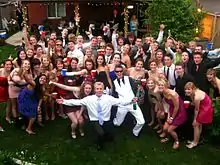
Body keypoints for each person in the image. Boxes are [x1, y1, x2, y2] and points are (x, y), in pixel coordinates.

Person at [56, 82, 136, 150]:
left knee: (109, 134)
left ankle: (106, 136)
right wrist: (64, 101)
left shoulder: (108, 98)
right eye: (97, 89)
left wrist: (131, 101)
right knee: (100, 133)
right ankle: (100, 145)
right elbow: (77, 102)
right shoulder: (89, 99)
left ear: (103, 89)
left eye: (101, 89)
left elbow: (120, 102)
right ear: (94, 90)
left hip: (106, 119)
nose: (99, 90)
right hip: (95, 120)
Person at [112, 64, 145, 137]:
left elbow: (138, 88)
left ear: (122, 72)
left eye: (120, 71)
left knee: (142, 121)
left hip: (133, 105)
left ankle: (135, 132)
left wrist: (137, 97)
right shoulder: (114, 82)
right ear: (115, 72)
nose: (119, 73)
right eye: (117, 72)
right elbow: (114, 95)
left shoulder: (129, 79)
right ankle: (115, 121)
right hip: (122, 106)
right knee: (117, 123)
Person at [157, 78, 187, 149]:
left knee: (170, 130)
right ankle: (168, 138)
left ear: (166, 85)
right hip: (172, 110)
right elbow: (170, 105)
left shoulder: (173, 94)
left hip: (179, 112)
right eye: (159, 85)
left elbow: (177, 107)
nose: (160, 86)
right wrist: (168, 116)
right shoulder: (163, 93)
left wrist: (171, 118)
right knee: (164, 128)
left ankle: (176, 141)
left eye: (162, 85)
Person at [185, 82, 214, 149]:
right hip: (203, 106)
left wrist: (195, 119)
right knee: (199, 125)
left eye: (189, 89)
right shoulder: (194, 92)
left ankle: (195, 143)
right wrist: (189, 95)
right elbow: (194, 104)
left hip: (206, 109)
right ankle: (197, 140)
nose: (187, 91)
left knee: (195, 125)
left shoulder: (197, 96)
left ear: (193, 88)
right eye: (186, 89)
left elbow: (196, 109)